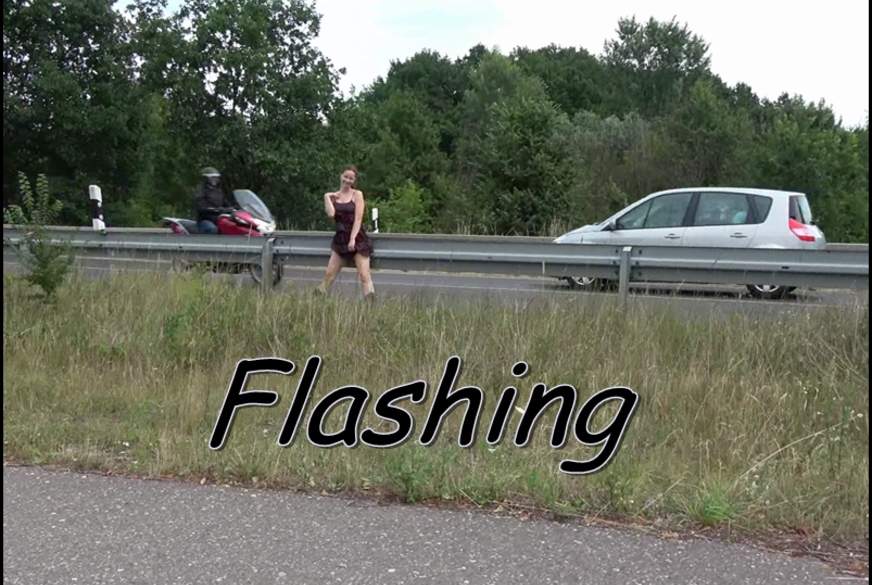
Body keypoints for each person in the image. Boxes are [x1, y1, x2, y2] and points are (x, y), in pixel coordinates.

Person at [317, 165, 375, 301]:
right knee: (329, 275)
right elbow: (331, 214)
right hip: (340, 240)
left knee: (364, 275)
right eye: (346, 177)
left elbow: (358, 218)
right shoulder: (334, 197)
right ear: (341, 176)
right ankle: (315, 302)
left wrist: (353, 239)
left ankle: (370, 305)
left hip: (357, 240)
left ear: (354, 180)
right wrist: (326, 197)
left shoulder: (357, 194)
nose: (348, 180)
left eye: (351, 178)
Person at [193, 167, 233, 234]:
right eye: (212, 177)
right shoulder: (200, 191)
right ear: (205, 178)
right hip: (206, 220)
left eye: (216, 177)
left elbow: (226, 203)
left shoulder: (218, 191)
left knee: (233, 227)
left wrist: (234, 208)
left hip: (219, 218)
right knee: (212, 229)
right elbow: (201, 206)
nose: (215, 179)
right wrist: (215, 209)